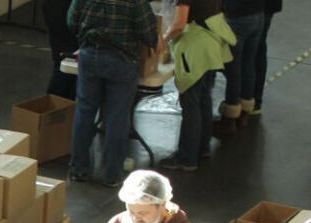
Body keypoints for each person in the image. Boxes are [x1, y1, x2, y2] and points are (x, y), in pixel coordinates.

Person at [67, 0, 158, 187]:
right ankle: (112, 175)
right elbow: (148, 32)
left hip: (90, 56)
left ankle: (78, 169)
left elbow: (71, 21)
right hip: (121, 61)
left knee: (84, 112)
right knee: (117, 117)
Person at [159, 0, 233, 172]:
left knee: (190, 103)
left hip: (195, 48)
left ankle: (187, 158)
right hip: (212, 44)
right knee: (204, 98)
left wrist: (164, 39)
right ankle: (202, 147)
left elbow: (179, 24)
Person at [218, 0, 266, 131]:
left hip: (237, 17)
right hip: (258, 14)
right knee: (248, 64)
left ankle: (231, 115)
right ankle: (245, 112)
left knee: (233, 69)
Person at [42, 0, 79, 99]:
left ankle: (57, 105)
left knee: (67, 64)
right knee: (65, 64)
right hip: (63, 11)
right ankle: (53, 106)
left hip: (59, 10)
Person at [251, 0, 281, 118]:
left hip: (247, 8)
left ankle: (239, 102)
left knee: (250, 53)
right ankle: (254, 102)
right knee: (258, 49)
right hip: (266, 6)